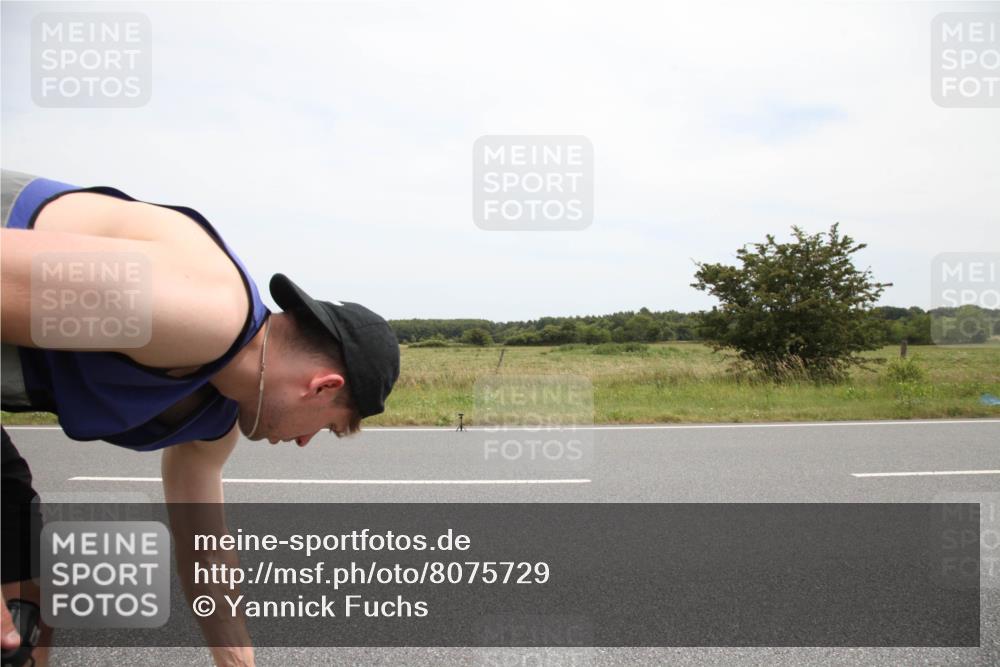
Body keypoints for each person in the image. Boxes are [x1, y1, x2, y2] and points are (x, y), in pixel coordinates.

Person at [0, 170, 400, 666]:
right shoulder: (199, 309)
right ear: (322, 387)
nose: (302, 443)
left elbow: (208, 556)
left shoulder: (215, 418)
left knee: (26, 600)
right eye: (327, 427)